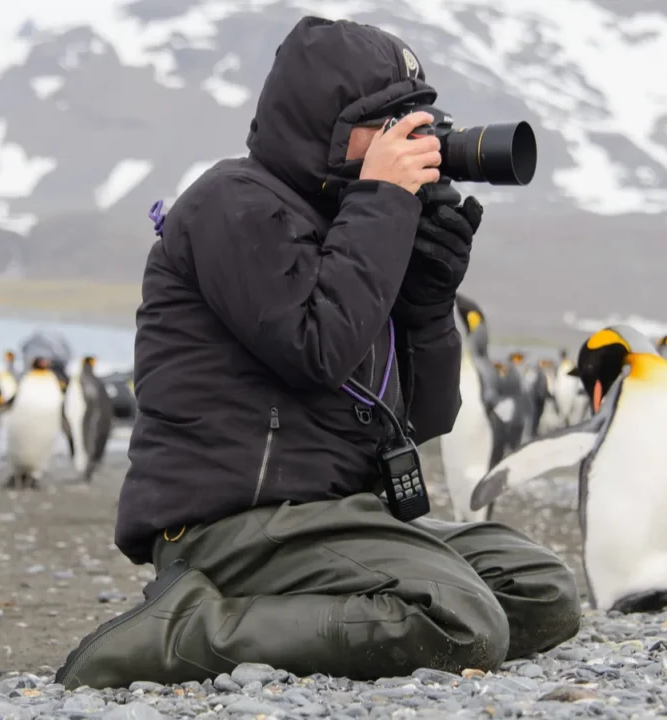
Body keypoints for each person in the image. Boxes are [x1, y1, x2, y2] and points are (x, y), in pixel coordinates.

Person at [55, 15, 581, 690]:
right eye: (389, 123)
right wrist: (383, 203)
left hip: (337, 518)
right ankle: (189, 630)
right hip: (232, 525)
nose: (414, 140)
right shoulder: (234, 203)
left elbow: (426, 418)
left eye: (418, 121)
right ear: (325, 124)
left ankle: (295, 615)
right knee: (463, 621)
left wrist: (426, 300)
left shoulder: (359, 223)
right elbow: (315, 351)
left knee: (541, 590)